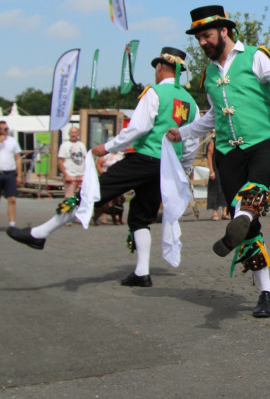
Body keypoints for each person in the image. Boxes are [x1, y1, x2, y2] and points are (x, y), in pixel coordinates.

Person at [167, 5, 270, 319]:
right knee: (251, 229)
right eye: (198, 39)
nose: (203, 43)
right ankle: (266, 290)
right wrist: (183, 132)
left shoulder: (254, 56)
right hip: (227, 153)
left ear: (224, 31)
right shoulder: (209, 73)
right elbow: (211, 116)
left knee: (255, 190)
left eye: (206, 36)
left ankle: (241, 220)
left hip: (262, 143)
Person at [7, 48, 199, 287]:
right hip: (166, 167)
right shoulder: (191, 102)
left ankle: (39, 234)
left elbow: (137, 128)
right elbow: (191, 140)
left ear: (160, 67)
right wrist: (184, 168)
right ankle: (142, 273)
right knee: (141, 215)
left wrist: (106, 147)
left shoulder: (155, 92)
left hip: (144, 158)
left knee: (92, 192)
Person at [0, 121, 21, 227]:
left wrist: (19, 175)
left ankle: (12, 223)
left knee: (12, 199)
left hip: (9, 173)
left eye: (6, 129)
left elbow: (17, 158)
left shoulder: (13, 141)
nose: (4, 131)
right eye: (2, 129)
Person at [205, 131, 229, 222]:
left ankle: (225, 212)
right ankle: (214, 213)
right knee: (214, 189)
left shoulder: (227, 142)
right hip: (215, 167)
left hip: (225, 167)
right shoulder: (213, 141)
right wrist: (211, 171)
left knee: (225, 189)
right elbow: (209, 155)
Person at [57, 126, 87, 198]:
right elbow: (60, 161)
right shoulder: (64, 145)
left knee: (81, 197)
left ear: (78, 134)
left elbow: (85, 158)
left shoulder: (81, 145)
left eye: (75, 132)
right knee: (69, 197)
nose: (73, 134)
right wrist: (66, 175)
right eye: (72, 133)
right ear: (69, 134)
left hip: (81, 175)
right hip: (70, 175)